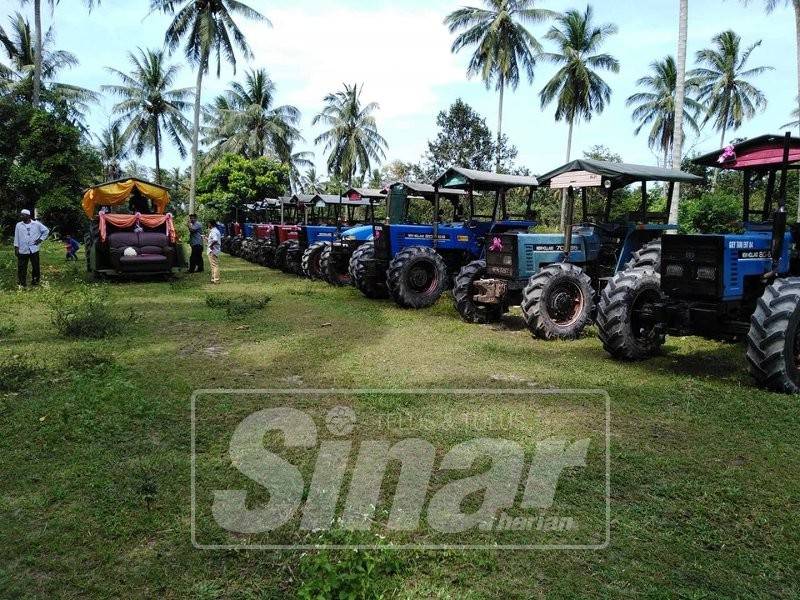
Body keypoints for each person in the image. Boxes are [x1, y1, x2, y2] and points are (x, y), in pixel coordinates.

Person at [14, 209, 50, 288]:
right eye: (21, 215)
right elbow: (16, 237)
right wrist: (16, 248)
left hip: (34, 249)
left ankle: (35, 281)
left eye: (23, 215)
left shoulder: (36, 224)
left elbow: (46, 231)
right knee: (21, 267)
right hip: (22, 249)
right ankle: (22, 282)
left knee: (35, 266)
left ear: (28, 216)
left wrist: (40, 240)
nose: (21, 216)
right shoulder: (18, 225)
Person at [206, 219, 221, 284]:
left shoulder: (214, 231)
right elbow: (212, 239)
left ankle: (216, 279)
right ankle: (213, 278)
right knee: (213, 265)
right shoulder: (215, 231)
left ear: (210, 224)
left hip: (213, 250)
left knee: (214, 265)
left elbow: (215, 240)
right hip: (214, 250)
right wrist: (206, 239)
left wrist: (211, 246)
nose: (207, 225)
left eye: (208, 223)